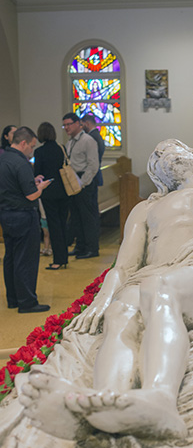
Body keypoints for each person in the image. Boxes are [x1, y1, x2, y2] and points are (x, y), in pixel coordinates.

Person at [19, 139, 193, 441]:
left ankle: (161, 399)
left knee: (161, 289)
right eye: (156, 154)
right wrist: (102, 300)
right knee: (121, 311)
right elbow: (124, 267)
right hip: (151, 274)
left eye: (171, 146)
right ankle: (104, 405)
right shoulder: (148, 208)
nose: (162, 152)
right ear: (157, 175)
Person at [0, 126, 52, 313]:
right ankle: (27, 302)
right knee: (26, 259)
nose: (32, 151)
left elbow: (14, 185)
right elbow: (31, 195)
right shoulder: (21, 162)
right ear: (23, 143)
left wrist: (32, 181)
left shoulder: (4, 157)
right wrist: (41, 186)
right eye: (31, 146)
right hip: (23, 215)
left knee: (11, 257)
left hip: (6, 214)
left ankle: (13, 298)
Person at [62, 113, 99, 259]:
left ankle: (92, 248)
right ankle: (80, 246)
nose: (66, 128)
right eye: (64, 125)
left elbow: (93, 165)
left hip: (85, 183)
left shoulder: (88, 141)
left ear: (79, 124)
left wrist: (82, 183)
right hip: (73, 182)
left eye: (69, 124)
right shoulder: (70, 142)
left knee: (88, 217)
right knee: (76, 217)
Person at [34, 122, 69, 270]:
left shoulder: (39, 152)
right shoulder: (61, 148)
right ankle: (64, 258)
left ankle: (58, 260)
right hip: (64, 191)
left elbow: (38, 174)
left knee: (53, 226)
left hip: (49, 192)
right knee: (63, 224)